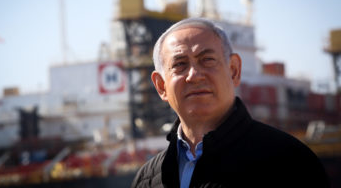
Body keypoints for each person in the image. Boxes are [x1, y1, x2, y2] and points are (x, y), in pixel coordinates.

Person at [131, 17, 329, 188]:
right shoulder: (145, 180)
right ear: (161, 86)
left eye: (207, 59)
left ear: (234, 70)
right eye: (180, 64)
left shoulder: (290, 163)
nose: (194, 76)